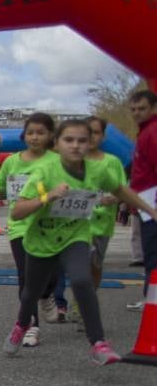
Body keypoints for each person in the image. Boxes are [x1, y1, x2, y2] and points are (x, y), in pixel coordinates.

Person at [5, 118, 156, 363]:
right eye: (69, 140)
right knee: (30, 293)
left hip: (75, 236)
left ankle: (98, 343)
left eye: (82, 140)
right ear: (57, 143)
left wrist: (150, 210)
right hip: (42, 240)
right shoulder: (45, 171)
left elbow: (121, 190)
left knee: (82, 279)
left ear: (91, 143)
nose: (75, 145)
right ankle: (21, 325)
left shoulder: (97, 170)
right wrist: (48, 197)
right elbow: (17, 211)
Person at [0, 113, 56, 346]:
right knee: (25, 278)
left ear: (50, 136)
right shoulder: (12, 162)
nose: (35, 137)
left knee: (50, 276)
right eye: (30, 132)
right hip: (19, 227)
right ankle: (31, 325)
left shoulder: (56, 162)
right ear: (24, 135)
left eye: (41, 133)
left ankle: (47, 294)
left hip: (48, 227)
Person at [86, 116, 126, 291]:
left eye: (96, 132)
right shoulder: (70, 160)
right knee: (77, 265)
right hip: (75, 223)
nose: (92, 137)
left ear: (103, 136)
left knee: (95, 265)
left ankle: (88, 298)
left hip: (101, 224)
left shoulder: (112, 162)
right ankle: (79, 299)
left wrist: (115, 199)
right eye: (88, 132)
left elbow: (122, 190)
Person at [128, 89, 157, 302]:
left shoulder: (152, 132)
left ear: (153, 108)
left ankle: (152, 304)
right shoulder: (145, 132)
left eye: (142, 108)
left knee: (153, 259)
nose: (137, 113)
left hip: (151, 206)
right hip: (144, 204)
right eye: (133, 109)